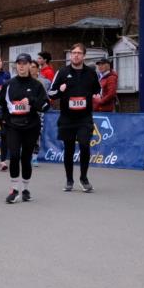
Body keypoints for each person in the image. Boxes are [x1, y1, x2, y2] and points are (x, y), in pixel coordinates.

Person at [48, 43, 101, 192]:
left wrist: (97, 96)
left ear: (84, 56)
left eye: (79, 53)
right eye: (73, 53)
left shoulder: (91, 72)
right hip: (67, 118)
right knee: (69, 149)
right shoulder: (62, 72)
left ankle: (84, 178)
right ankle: (69, 179)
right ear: (70, 55)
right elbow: (51, 93)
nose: (76, 55)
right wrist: (60, 89)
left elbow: (98, 90)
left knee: (84, 145)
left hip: (84, 117)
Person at [2, 54, 50, 203]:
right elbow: (1, 103)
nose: (21, 66)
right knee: (15, 155)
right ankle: (15, 189)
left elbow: (45, 105)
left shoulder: (36, 85)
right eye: (19, 63)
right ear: (16, 65)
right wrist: (2, 117)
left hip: (31, 126)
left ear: (30, 65)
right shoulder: (9, 84)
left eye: (24, 63)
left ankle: (26, 189)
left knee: (26, 158)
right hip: (13, 125)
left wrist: (31, 101)